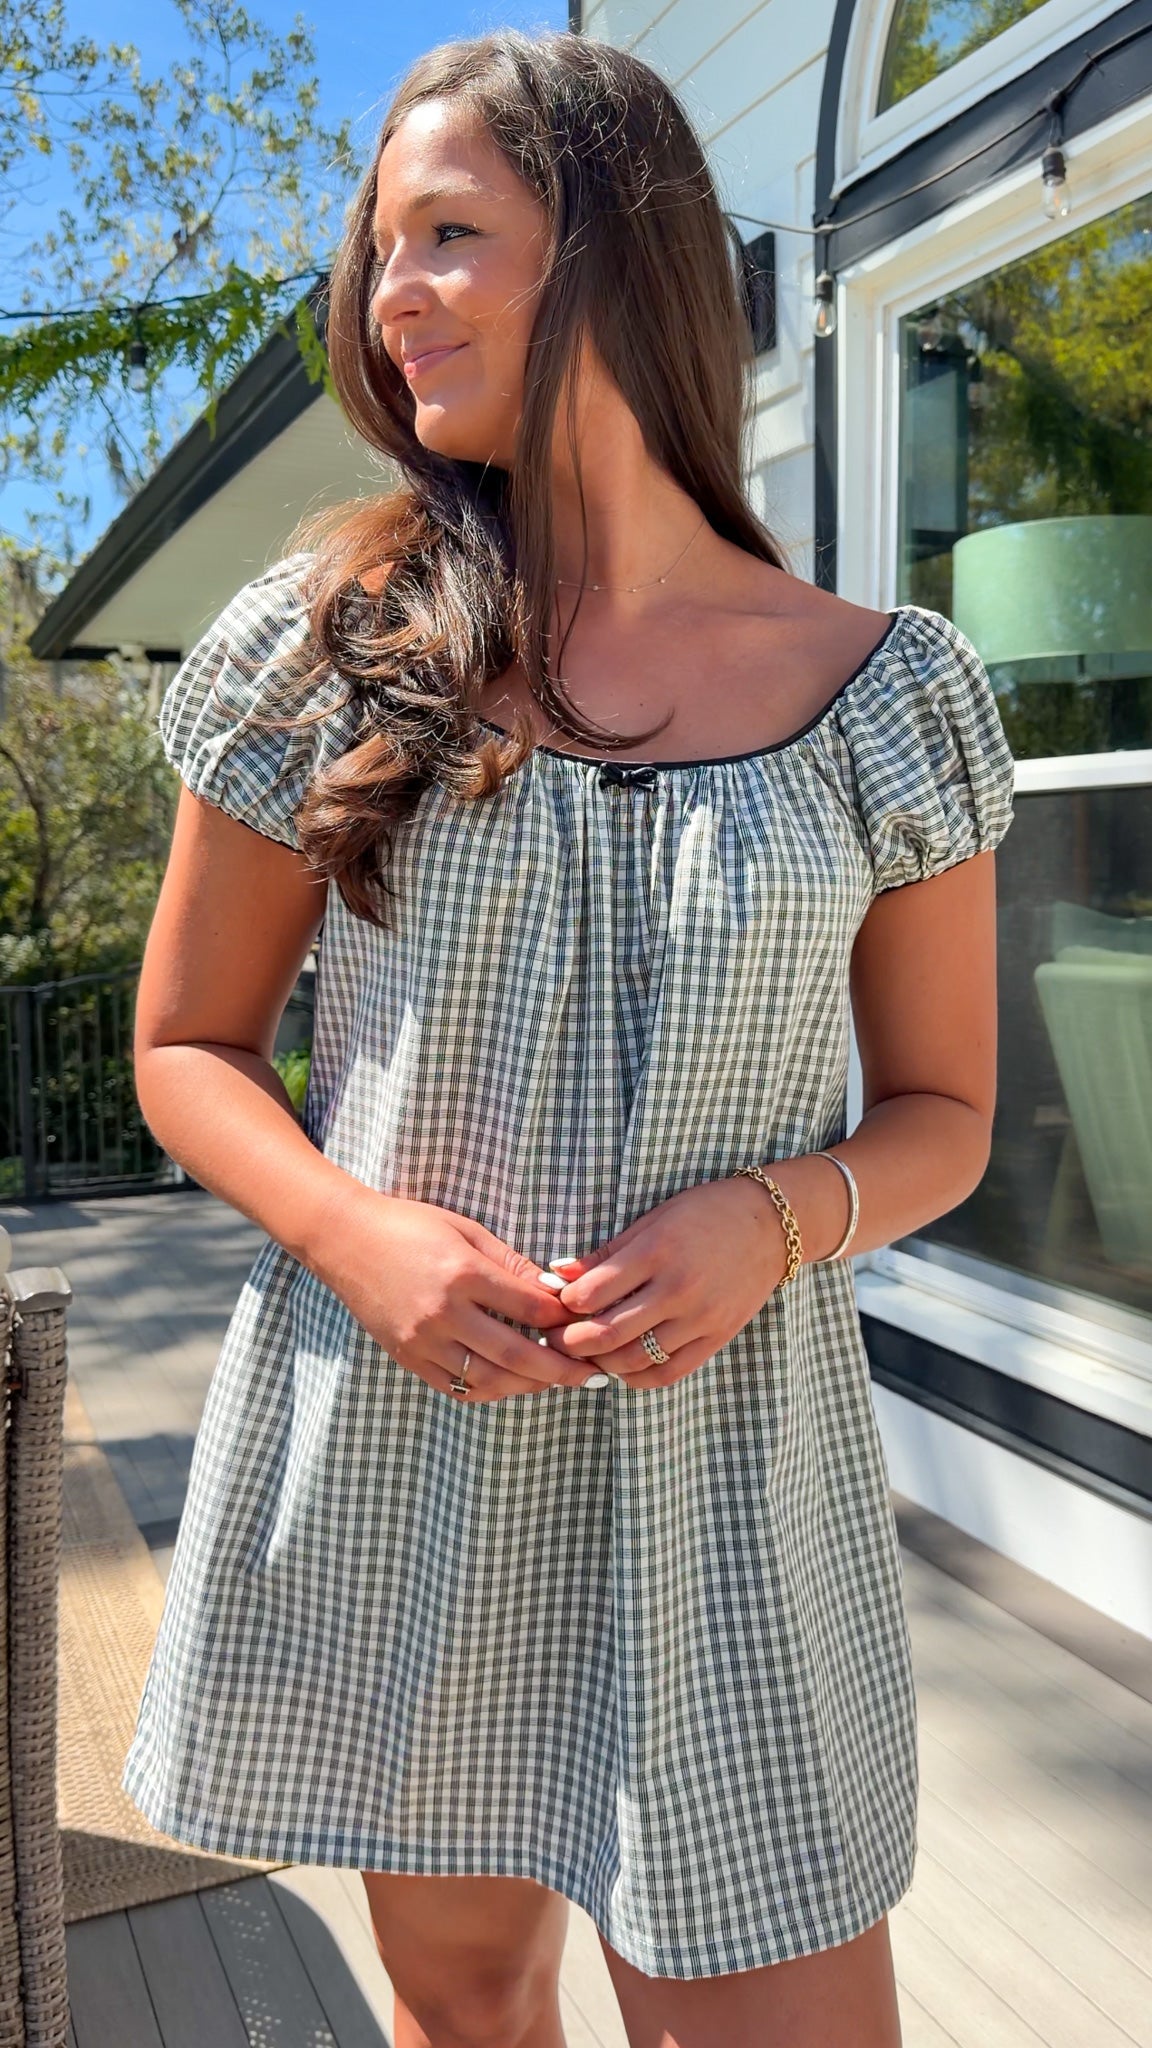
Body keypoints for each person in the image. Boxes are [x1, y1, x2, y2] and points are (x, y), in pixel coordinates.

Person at [122, 26, 1016, 2048]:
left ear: (618, 250)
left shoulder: (892, 698)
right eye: (381, 246)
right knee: (465, 2009)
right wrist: (361, 1237)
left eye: (453, 231)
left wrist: (781, 1217)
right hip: (410, 1453)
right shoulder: (322, 646)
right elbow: (185, 1041)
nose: (392, 291)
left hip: (733, 1494)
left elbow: (953, 1114)